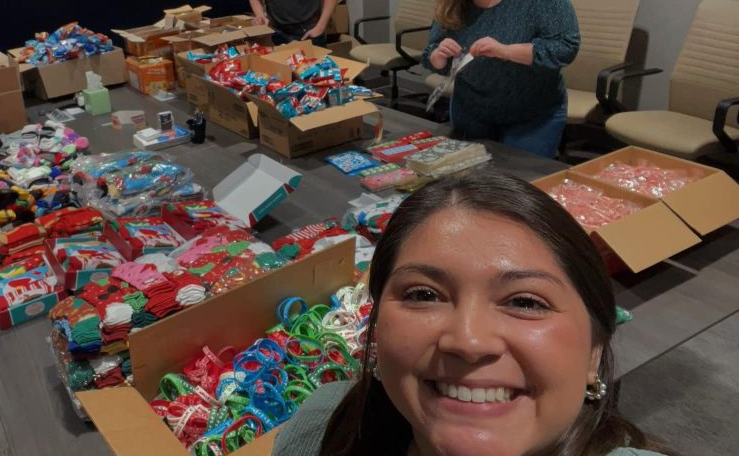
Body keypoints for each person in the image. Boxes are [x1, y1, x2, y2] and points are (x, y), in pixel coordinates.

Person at [272, 171, 671, 456]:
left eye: (525, 302)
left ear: (594, 352)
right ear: (375, 331)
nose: (468, 341)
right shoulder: (322, 426)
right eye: (424, 294)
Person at [421, 0, 580, 159]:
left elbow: (565, 47)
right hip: (470, 111)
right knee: (472, 184)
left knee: (520, 185)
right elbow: (431, 55)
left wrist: (505, 51)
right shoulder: (453, 1)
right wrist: (438, 56)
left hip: (532, 114)